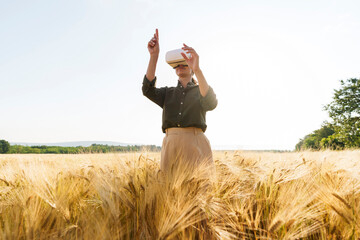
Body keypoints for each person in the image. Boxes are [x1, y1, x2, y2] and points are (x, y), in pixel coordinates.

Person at [142, 29, 217, 177]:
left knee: (198, 189)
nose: (180, 66)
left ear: (192, 69)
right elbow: (147, 90)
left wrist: (198, 69)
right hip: (171, 143)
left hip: (195, 143)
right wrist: (154, 56)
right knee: (168, 188)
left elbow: (211, 103)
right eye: (176, 64)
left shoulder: (200, 89)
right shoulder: (167, 93)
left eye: (184, 63)